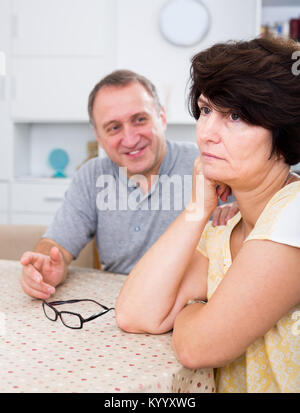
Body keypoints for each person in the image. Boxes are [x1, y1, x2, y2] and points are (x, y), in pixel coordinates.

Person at [115, 37, 300, 393]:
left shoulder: (293, 212)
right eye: (205, 110)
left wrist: (191, 307)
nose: (207, 133)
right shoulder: (225, 227)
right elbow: (135, 314)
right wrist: (196, 210)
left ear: (283, 131)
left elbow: (198, 347)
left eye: (234, 116)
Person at [19, 70, 238, 301]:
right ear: (99, 137)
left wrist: (241, 213)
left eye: (140, 119)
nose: (131, 139)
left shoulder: (211, 165)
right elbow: (57, 245)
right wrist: (45, 264)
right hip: (117, 307)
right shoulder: (92, 176)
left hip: (191, 306)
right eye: (114, 127)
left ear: (161, 118)